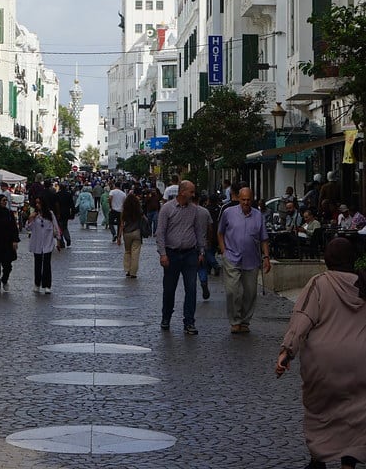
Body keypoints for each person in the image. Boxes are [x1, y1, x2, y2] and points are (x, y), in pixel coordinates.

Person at [275, 238, 366, 469]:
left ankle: (319, 458)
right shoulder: (364, 284)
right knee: (357, 414)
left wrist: (286, 352)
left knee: (320, 412)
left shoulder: (319, 283)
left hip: (323, 364)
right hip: (360, 363)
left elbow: (302, 319)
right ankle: (349, 463)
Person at [217, 185, 270, 334]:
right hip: (232, 257)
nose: (246, 202)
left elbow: (264, 238)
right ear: (238, 199)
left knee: (250, 292)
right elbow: (220, 232)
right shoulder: (228, 213)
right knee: (232, 291)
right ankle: (235, 320)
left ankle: (245, 321)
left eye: (248, 200)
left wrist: (266, 256)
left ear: (252, 200)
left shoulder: (258, 215)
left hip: (252, 259)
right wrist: (224, 250)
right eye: (243, 199)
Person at [155, 179, 205, 335]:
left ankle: (189, 322)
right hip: (172, 254)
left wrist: (201, 251)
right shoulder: (167, 209)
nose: (193, 194)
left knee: (191, 289)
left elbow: (198, 231)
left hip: (190, 253)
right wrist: (163, 254)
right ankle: (166, 317)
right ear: (182, 192)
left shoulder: (194, 210)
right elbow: (160, 232)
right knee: (169, 289)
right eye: (191, 191)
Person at [27, 196, 60, 294]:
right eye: (36, 203)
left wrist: (58, 240)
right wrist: (30, 218)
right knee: (37, 264)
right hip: (37, 243)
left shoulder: (50, 214)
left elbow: (56, 226)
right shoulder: (34, 215)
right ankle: (37, 284)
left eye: (39, 203)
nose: (37, 205)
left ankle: (47, 285)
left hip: (47, 243)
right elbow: (29, 228)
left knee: (46, 265)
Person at [117, 191, 144, 279]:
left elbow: (121, 224)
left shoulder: (124, 210)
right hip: (136, 232)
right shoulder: (138, 210)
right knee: (135, 253)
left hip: (127, 233)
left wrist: (119, 237)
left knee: (127, 251)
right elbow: (143, 219)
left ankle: (127, 270)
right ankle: (133, 273)